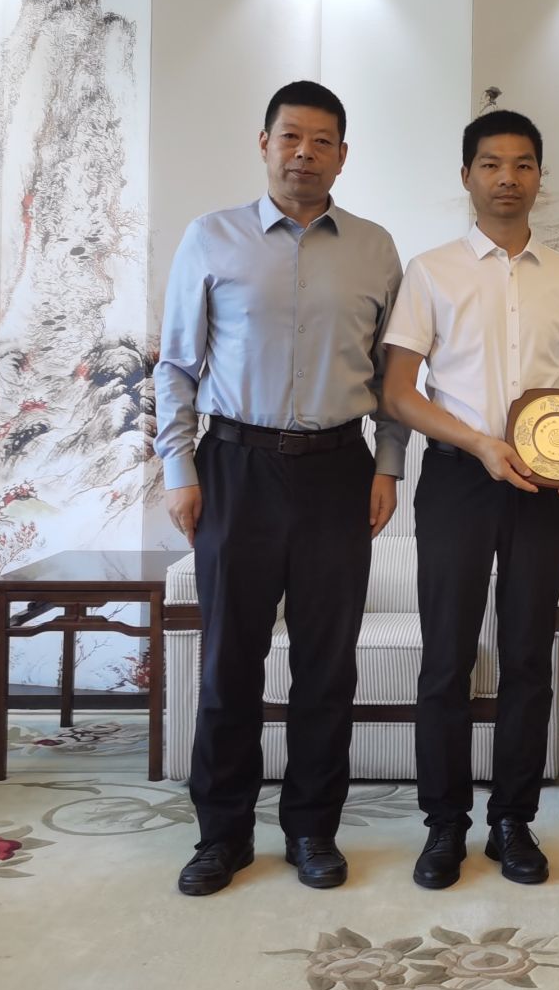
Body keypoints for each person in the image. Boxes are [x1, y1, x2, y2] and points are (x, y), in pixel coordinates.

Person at [155, 79, 408, 895]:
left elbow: (393, 376)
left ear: (343, 154)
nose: (305, 153)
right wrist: (179, 470)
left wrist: (388, 465)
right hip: (236, 467)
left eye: (321, 140)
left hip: (339, 470)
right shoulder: (211, 237)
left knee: (327, 667)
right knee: (230, 662)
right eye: (290, 137)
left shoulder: (375, 249)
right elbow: (176, 365)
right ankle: (221, 835)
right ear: (264, 144)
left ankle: (311, 830)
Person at [382, 110, 559, 889]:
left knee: (528, 656)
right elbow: (399, 391)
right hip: (456, 478)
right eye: (491, 164)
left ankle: (513, 821)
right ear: (467, 176)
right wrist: (478, 443)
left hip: (541, 488)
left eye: (523, 164)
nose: (507, 178)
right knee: (445, 656)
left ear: (540, 175)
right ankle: (444, 824)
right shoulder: (431, 271)